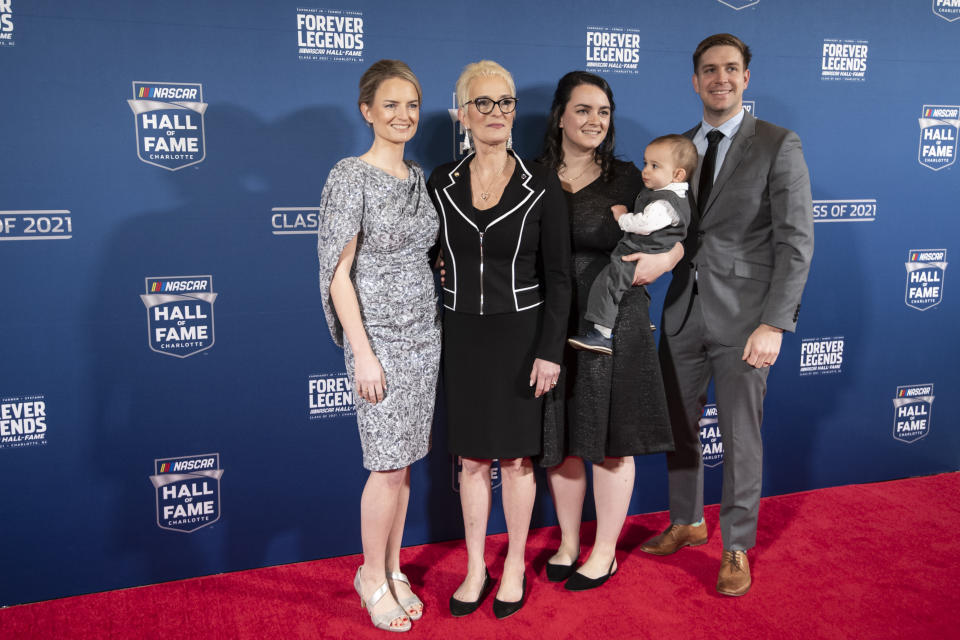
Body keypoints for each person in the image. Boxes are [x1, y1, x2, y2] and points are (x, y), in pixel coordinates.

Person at [642, 33, 814, 597]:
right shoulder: (680, 149)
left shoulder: (777, 144)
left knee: (741, 438)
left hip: (746, 322)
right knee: (679, 429)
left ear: (746, 78)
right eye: (710, 70)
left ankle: (736, 544)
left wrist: (776, 323)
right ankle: (687, 521)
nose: (721, 78)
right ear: (695, 81)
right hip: (682, 311)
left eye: (731, 69)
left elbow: (795, 241)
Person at [427, 60, 570, 619]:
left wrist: (550, 350)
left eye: (504, 102)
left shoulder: (543, 185)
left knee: (515, 462)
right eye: (482, 103)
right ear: (462, 112)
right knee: (469, 461)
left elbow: (559, 277)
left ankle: (512, 565)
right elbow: (423, 253)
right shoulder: (440, 181)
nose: (495, 113)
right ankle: (473, 566)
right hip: (460, 335)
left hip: (522, 336)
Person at [538, 71, 680, 591]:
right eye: (583, 110)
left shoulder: (630, 177)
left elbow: (683, 227)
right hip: (552, 320)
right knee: (564, 436)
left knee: (610, 438)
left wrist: (669, 258)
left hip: (615, 320)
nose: (595, 120)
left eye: (604, 111)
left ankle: (604, 552)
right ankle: (570, 542)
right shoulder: (531, 175)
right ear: (560, 115)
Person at [317, 59, 440, 632]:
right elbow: (339, 275)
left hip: (425, 335)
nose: (403, 115)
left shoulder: (418, 176)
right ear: (367, 111)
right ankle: (370, 574)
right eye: (390, 105)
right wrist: (363, 352)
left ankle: (392, 568)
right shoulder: (349, 175)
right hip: (380, 341)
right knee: (386, 466)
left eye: (412, 105)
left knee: (406, 464)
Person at [568, 134, 697, 355]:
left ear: (678, 174)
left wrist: (622, 217)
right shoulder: (666, 194)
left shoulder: (664, 203)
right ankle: (644, 319)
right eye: (646, 163)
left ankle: (602, 334)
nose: (645, 170)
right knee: (633, 284)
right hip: (647, 250)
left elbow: (644, 225)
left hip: (640, 251)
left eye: (655, 166)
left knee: (608, 282)